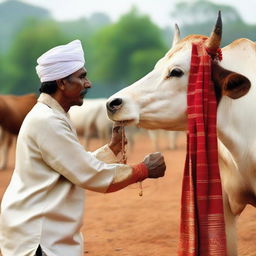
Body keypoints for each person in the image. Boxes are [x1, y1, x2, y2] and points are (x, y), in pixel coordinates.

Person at [0, 40, 166, 256]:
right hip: (39, 235)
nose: (88, 83)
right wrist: (143, 170)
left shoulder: (54, 115)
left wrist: (112, 149)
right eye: (81, 77)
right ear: (61, 83)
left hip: (41, 229)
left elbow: (74, 165)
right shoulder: (47, 121)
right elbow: (89, 174)